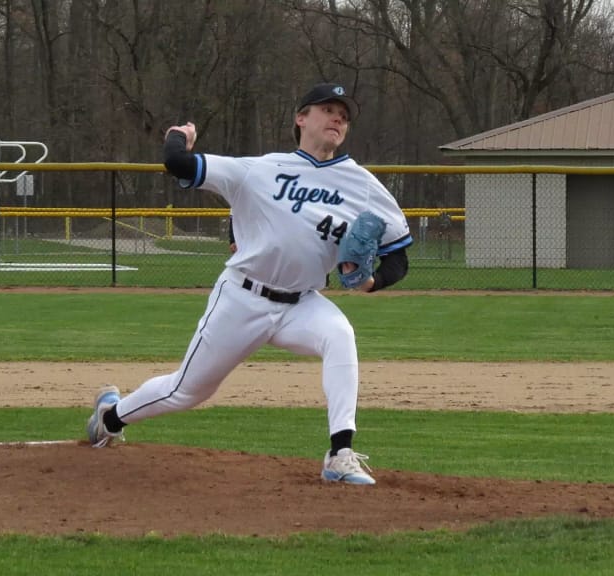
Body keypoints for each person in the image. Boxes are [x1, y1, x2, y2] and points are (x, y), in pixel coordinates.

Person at [86, 82, 413, 485]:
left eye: (344, 116)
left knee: (341, 334)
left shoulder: (363, 185)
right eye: (328, 109)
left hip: (302, 303)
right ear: (301, 118)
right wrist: (178, 136)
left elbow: (398, 255)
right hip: (242, 298)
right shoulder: (260, 169)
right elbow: (178, 163)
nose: (338, 119)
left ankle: (340, 453)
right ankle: (111, 416)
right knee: (187, 392)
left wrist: (372, 282)